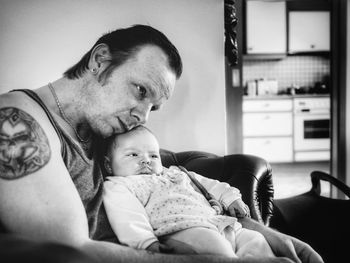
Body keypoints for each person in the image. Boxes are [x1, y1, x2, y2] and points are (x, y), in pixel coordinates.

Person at [0, 24, 323, 263]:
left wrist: (258, 229)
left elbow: (171, 190)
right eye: (141, 91)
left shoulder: (105, 129)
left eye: (153, 107)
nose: (143, 117)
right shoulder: (17, 122)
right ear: (100, 60)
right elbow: (70, 253)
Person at [103, 125, 276, 259]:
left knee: (256, 240)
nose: (146, 161)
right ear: (108, 165)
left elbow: (211, 185)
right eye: (133, 155)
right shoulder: (121, 185)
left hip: (221, 222)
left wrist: (231, 198)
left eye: (153, 156)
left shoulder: (176, 172)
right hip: (184, 230)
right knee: (220, 253)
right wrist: (147, 244)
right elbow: (127, 217)